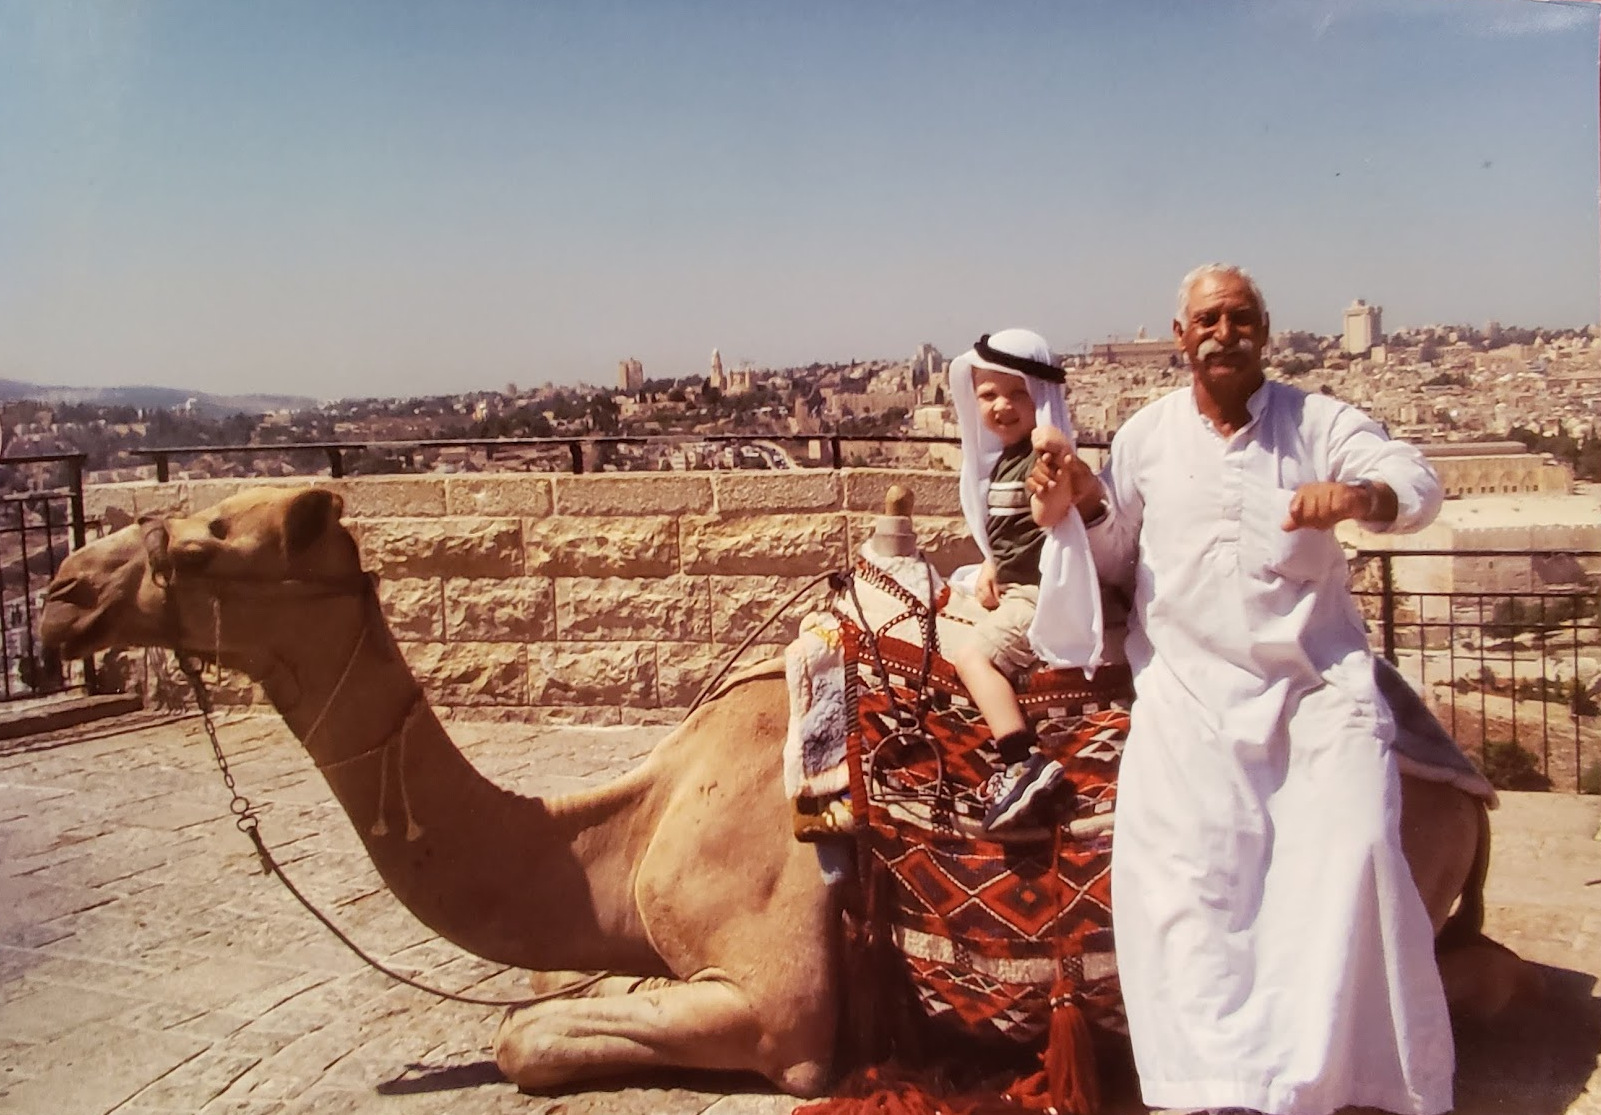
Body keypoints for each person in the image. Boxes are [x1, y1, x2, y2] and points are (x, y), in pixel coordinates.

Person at [1030, 264, 1453, 1115]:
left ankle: (1342, 1075)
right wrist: (1083, 503)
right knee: (1185, 878)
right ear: (1180, 335)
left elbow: (1416, 482)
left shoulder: (1317, 421)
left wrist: (1360, 494)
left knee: (1356, 845)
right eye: (1206, 319)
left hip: (1314, 687)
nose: (1223, 331)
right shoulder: (1146, 436)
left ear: (1264, 328)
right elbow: (1116, 558)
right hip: (1186, 693)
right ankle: (1210, 1084)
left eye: (1239, 316)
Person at [944, 328, 1103, 831]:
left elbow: (1047, 515)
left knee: (970, 656)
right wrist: (993, 565)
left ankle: (1021, 759)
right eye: (988, 394)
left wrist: (1055, 465)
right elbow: (1010, 537)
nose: (1001, 406)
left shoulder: (1039, 458)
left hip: (1036, 596)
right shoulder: (1006, 460)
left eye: (1018, 394)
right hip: (1015, 583)